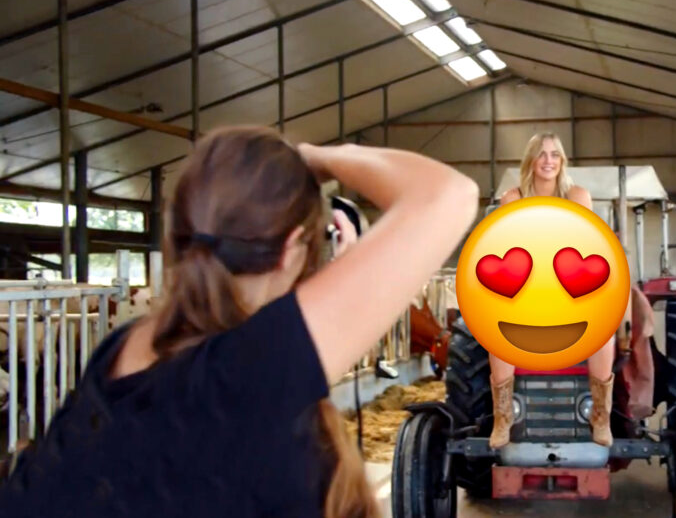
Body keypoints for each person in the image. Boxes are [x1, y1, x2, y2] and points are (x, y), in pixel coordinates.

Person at [0, 126, 480, 518]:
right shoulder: (245, 372)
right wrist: (318, 157)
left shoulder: (124, 346)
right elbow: (449, 194)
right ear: (292, 248)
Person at [488, 131, 617, 448]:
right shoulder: (513, 199)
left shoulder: (577, 197)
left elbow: (586, 243)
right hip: (528, 286)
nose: (548, 161)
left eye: (555, 154)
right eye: (542, 154)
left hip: (568, 285)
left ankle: (601, 416)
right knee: (496, 329)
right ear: (531, 160)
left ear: (562, 160)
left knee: (604, 329)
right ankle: (502, 417)